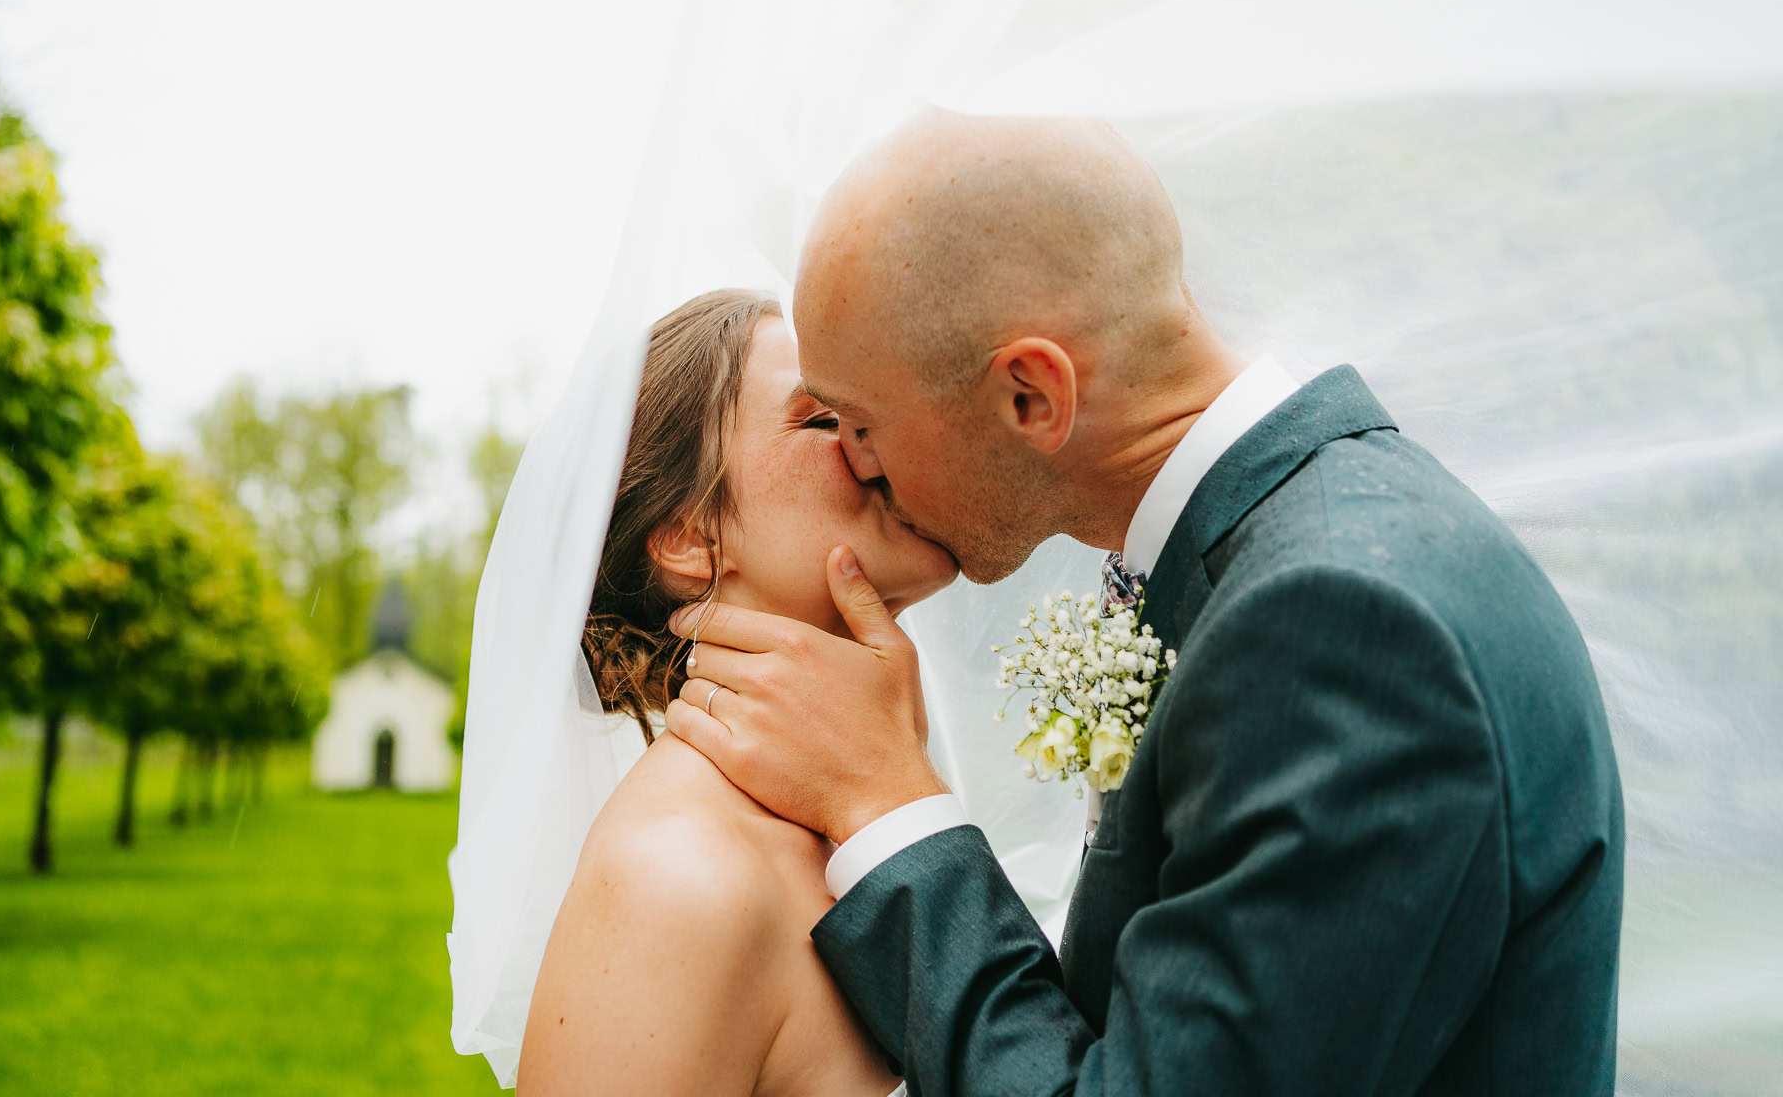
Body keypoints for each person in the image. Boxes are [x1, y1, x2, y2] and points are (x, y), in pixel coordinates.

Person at [667, 111, 1628, 1096]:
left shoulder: (1341, 627)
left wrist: (885, 803)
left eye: (863, 422)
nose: (857, 463)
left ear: (1031, 395)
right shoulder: (1303, 547)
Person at [512, 288, 955, 1096]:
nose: (880, 440)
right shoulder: (673, 883)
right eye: (826, 419)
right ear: (691, 538)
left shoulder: (872, 799)